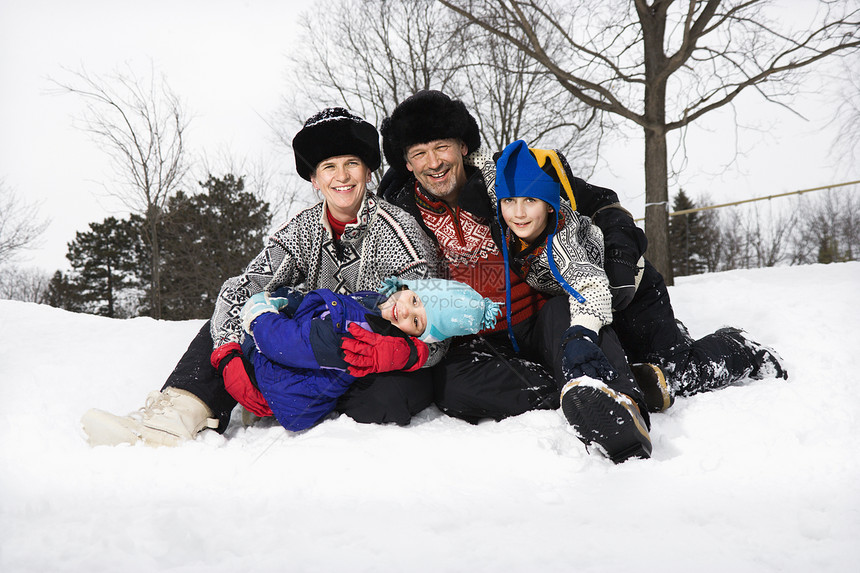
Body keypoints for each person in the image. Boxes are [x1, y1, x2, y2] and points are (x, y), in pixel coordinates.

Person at [82, 107, 441, 447]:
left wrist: (407, 352)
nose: (342, 176)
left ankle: (286, 396)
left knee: (385, 400)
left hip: (380, 360)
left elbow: (439, 325)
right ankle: (177, 412)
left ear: (367, 172)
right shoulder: (301, 231)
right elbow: (242, 289)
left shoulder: (400, 233)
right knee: (242, 312)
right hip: (316, 347)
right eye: (329, 167)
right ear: (315, 179)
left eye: (352, 164)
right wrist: (226, 354)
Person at [378, 90, 653, 462]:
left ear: (462, 145)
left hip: (539, 317)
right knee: (449, 386)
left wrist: (620, 244)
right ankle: (569, 390)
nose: (434, 162)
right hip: (480, 341)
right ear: (407, 164)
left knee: (567, 313)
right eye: (419, 154)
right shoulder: (401, 217)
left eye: (441, 147)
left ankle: (620, 414)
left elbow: (598, 202)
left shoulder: (507, 178)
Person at [493, 139, 652, 462]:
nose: (518, 212)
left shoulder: (561, 239)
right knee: (564, 314)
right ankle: (627, 384)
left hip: (636, 288)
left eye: (530, 201)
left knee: (680, 362)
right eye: (509, 200)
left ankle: (737, 351)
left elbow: (589, 286)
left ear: (549, 204)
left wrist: (581, 333)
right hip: (582, 299)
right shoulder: (510, 228)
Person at [237, 277, 500, 432]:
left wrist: (258, 318)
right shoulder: (377, 305)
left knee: (252, 343)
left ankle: (255, 383)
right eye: (415, 300)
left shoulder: (361, 339)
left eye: (418, 322)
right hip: (300, 362)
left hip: (285, 389)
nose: (406, 312)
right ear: (409, 287)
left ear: (418, 337)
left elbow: (290, 344)